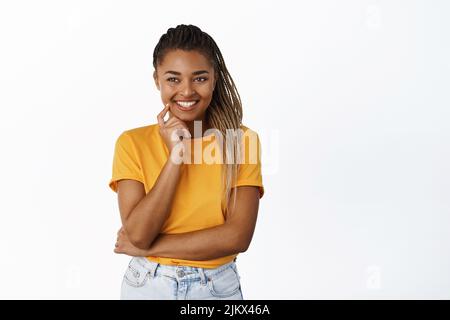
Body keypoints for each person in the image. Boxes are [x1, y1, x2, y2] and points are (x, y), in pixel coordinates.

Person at [108, 24, 264, 300]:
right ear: (157, 80)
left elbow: (237, 237)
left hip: (217, 288)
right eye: (173, 79)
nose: (187, 91)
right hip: (148, 284)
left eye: (200, 78)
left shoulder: (242, 141)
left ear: (215, 79)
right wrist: (175, 157)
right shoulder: (131, 143)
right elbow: (140, 233)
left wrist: (148, 248)